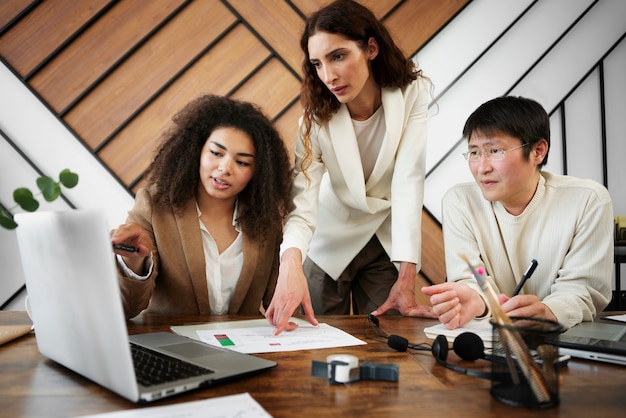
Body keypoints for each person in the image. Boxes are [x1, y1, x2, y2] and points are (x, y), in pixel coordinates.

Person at [265, 0, 437, 335]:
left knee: (392, 344)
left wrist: (407, 274)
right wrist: (289, 262)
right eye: (317, 63)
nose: (328, 75)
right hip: (328, 239)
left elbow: (408, 180)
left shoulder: (412, 93)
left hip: (383, 239)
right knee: (320, 346)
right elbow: (301, 204)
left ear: (371, 48)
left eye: (338, 56)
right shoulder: (313, 122)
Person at [422, 96, 613, 330]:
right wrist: (479, 299)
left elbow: (583, 290)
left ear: (538, 151)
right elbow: (474, 277)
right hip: (490, 341)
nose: (482, 168)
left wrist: (551, 311)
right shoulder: (461, 202)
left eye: (495, 150)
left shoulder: (587, 200)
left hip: (567, 341)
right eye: (474, 153)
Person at [110, 94, 292, 320]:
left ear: (258, 172)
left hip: (239, 350)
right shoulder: (154, 206)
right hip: (172, 346)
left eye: (242, 162)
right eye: (216, 153)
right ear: (196, 150)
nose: (225, 168)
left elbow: (281, 301)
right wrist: (133, 261)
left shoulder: (266, 219)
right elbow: (126, 308)